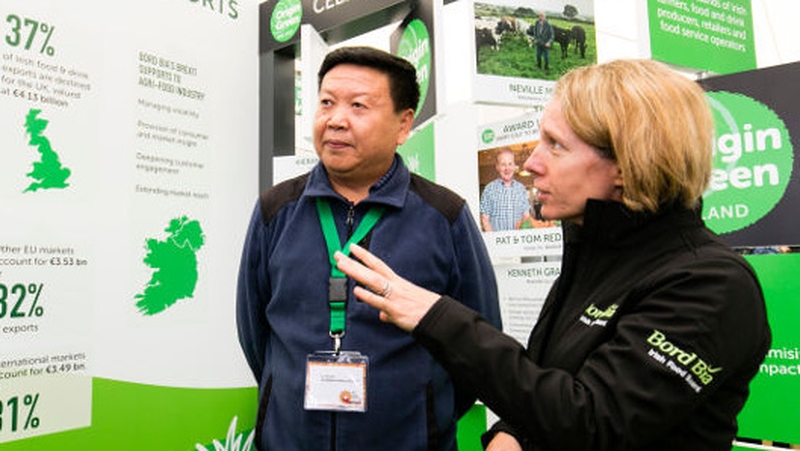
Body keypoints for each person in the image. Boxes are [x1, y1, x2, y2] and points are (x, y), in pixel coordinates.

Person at [334, 59, 771, 451]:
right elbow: (548, 382)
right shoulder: (594, 255)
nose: (531, 164)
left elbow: (592, 422)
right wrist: (511, 432)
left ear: (627, 164)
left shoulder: (710, 283)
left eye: (556, 145)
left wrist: (438, 317)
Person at [236, 46, 501, 451]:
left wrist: (427, 414)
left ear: (403, 124)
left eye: (358, 106)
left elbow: (477, 342)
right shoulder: (276, 210)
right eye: (326, 103)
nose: (336, 120)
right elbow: (255, 333)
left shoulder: (444, 216)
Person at [480, 147, 532, 231]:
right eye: (503, 164)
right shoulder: (489, 189)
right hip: (497, 242)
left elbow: (526, 216)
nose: (507, 168)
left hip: (518, 242)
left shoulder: (521, 189)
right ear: (497, 167)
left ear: (515, 166)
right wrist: (493, 241)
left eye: (510, 164)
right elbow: (485, 219)